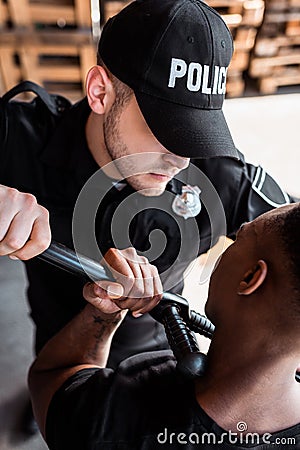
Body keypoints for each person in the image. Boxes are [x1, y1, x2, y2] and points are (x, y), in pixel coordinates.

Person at [0, 0, 296, 435]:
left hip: (161, 352)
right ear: (101, 91)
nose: (181, 158)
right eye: (164, 128)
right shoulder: (18, 139)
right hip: (56, 329)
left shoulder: (220, 175)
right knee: (55, 393)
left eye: (195, 131)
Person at [28, 202, 300, 449]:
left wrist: (106, 312)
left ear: (250, 277)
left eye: (239, 238)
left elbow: (52, 373)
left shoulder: (113, 421)